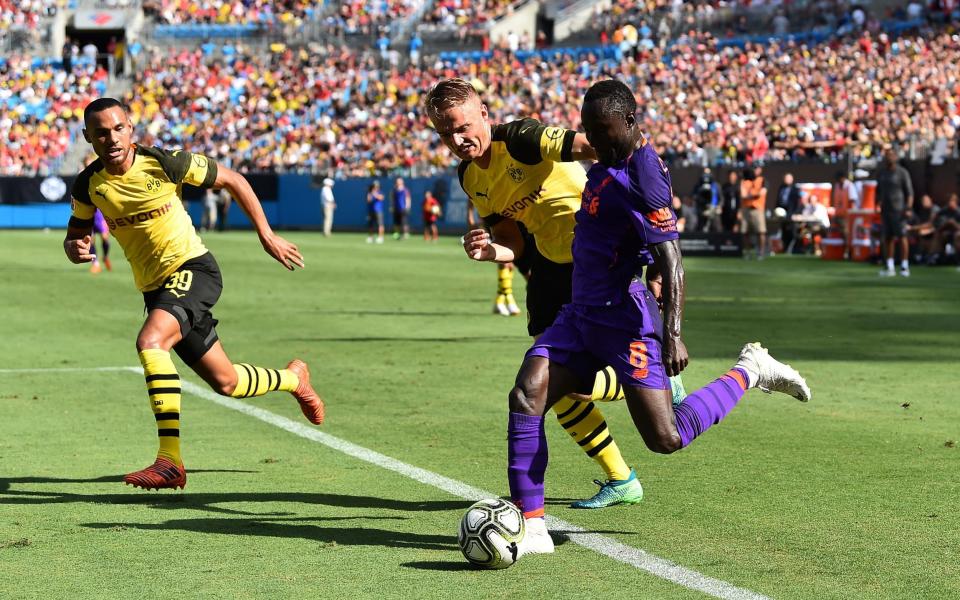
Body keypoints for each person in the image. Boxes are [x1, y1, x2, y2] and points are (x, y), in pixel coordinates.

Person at [496, 79, 811, 555]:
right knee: (527, 393)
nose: (594, 141)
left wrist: (672, 334)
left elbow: (672, 260)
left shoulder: (643, 174)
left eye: (602, 130)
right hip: (580, 316)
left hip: (625, 321)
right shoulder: (607, 161)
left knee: (666, 438)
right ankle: (533, 525)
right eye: (588, 130)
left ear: (630, 121)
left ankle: (751, 370)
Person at [426, 77, 676, 509]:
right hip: (549, 268)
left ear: (484, 113)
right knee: (547, 388)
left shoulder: (521, 138)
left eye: (463, 126)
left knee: (554, 384)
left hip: (598, 261)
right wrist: (491, 251)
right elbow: (512, 240)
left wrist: (652, 214)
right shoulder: (470, 177)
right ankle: (622, 478)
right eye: (446, 133)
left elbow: (597, 145)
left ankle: (659, 379)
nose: (458, 139)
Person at [63, 98, 325, 491]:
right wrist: (75, 246)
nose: (111, 138)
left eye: (118, 128)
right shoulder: (88, 184)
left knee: (151, 341)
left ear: (131, 129)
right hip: (157, 291)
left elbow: (234, 180)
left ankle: (169, 461)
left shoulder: (166, 163)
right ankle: (293, 379)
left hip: (193, 269)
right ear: (88, 138)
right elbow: (78, 228)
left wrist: (266, 235)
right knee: (228, 382)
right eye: (101, 132)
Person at [875, 147, 914, 277]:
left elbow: (909, 193)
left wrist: (908, 208)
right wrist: (878, 204)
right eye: (887, 155)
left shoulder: (902, 173)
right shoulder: (882, 173)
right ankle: (889, 266)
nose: (889, 157)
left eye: (892, 155)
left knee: (902, 237)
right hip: (886, 210)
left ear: (896, 157)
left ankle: (904, 266)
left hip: (899, 210)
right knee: (887, 238)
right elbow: (878, 191)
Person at [740, 165, 768, 259]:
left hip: (758, 209)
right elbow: (743, 195)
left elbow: (762, 193)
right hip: (746, 209)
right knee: (745, 232)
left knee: (761, 231)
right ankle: (747, 252)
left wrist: (750, 194)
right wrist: (753, 194)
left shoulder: (762, 180)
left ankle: (761, 253)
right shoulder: (744, 181)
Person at [775, 173, 802, 253]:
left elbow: (797, 203)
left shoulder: (795, 189)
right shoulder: (781, 188)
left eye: (789, 178)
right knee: (784, 231)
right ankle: (784, 247)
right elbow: (778, 200)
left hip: (791, 213)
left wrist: (795, 213)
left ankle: (792, 249)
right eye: (786, 178)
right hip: (782, 213)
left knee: (791, 231)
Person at [89, 208, 112, 273]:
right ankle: (95, 263)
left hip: (99, 215)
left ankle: (105, 257)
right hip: (88, 215)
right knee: (90, 240)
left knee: (105, 238)